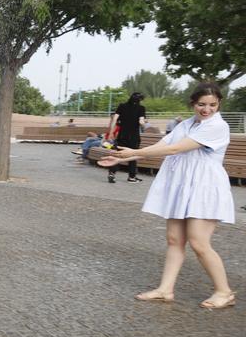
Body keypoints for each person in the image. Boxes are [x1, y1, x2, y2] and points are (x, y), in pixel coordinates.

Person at [99, 82, 235, 309]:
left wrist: (134, 152)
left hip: (204, 187)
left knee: (199, 242)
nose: (207, 109)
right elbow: (164, 144)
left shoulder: (217, 126)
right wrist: (123, 159)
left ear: (219, 104)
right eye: (202, 104)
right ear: (193, 103)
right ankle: (165, 289)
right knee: (174, 239)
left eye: (213, 105)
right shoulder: (188, 124)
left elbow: (175, 149)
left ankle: (224, 291)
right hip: (183, 185)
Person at [106, 92, 146, 183]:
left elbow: (115, 120)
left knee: (118, 153)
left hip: (122, 135)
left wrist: (111, 133)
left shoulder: (122, 106)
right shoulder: (141, 108)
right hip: (134, 136)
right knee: (133, 155)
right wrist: (144, 124)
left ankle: (112, 173)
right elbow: (141, 122)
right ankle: (132, 177)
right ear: (140, 100)